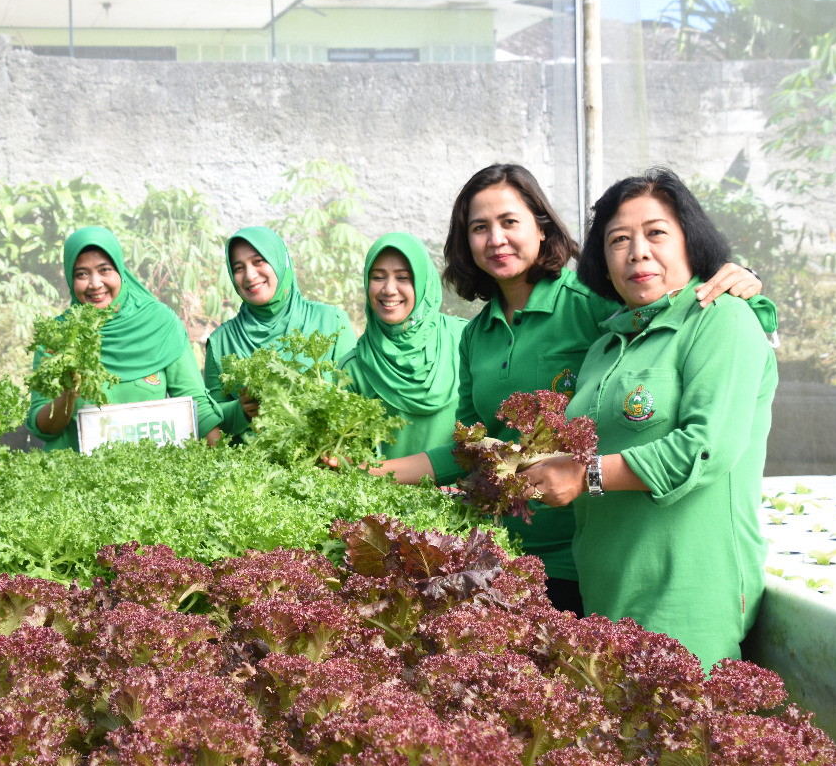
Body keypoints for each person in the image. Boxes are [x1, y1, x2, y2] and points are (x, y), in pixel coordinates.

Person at [372, 164, 765, 617]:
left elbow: (675, 304)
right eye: (479, 228)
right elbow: (472, 447)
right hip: (503, 548)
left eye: (509, 222)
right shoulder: (476, 334)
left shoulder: (591, 300)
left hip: (583, 547)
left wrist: (743, 283)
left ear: (541, 227)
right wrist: (371, 472)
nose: (495, 239)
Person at [522, 168, 777, 673]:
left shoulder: (721, 320)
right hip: (606, 589)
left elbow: (705, 448)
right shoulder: (606, 346)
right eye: (619, 239)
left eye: (656, 232)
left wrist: (585, 474)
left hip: (686, 593)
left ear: (691, 242)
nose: (637, 251)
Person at [26, 226, 224, 450]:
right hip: (75, 478)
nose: (95, 284)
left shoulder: (160, 323)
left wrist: (220, 468)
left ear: (120, 270)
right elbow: (42, 426)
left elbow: (196, 404)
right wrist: (68, 394)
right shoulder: (58, 337)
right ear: (71, 280)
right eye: (81, 274)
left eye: (104, 270)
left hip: (151, 477)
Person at [203, 226, 356, 438]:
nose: (249, 275)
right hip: (251, 467)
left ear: (280, 261)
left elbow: (356, 400)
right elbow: (210, 419)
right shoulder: (221, 341)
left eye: (259, 261)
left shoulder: (331, 320)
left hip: (323, 465)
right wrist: (241, 410)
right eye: (238, 268)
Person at [340, 232, 466, 458]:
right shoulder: (352, 369)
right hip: (387, 492)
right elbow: (356, 461)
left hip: (467, 492)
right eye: (378, 277)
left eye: (403, 277)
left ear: (424, 282)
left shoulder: (464, 339)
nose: (389, 289)